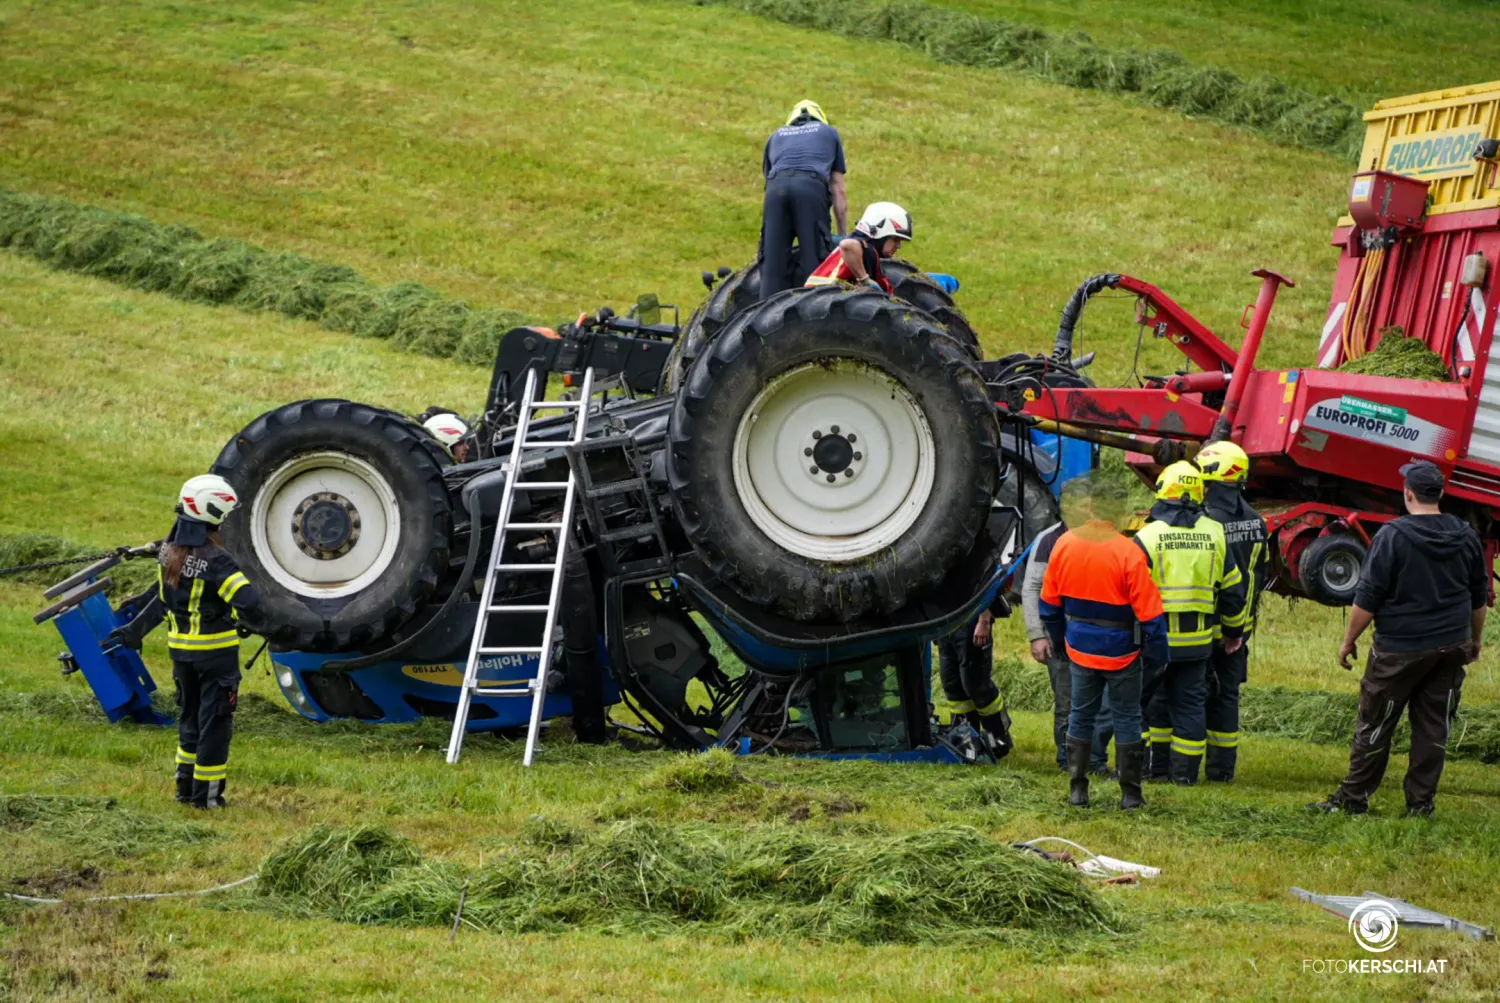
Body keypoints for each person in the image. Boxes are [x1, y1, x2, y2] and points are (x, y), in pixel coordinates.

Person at [1312, 461, 1486, 818]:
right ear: (1440, 494)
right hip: (1451, 646)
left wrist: (1348, 640)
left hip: (1400, 649)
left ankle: (1353, 799)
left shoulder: (1393, 536)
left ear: (1407, 494)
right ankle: (1420, 806)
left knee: (1375, 723)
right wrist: (1475, 640)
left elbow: (1368, 597)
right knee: (1433, 728)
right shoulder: (1466, 534)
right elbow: (1478, 597)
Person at [106, 475, 263, 809]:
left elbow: (161, 599)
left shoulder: (167, 552)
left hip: (181, 656)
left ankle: (184, 789)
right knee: (216, 725)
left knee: (190, 719)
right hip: (216, 658)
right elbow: (248, 600)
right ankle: (207, 799)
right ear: (212, 513)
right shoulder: (217, 560)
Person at [1039, 476, 1168, 810]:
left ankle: (1078, 791)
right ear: (1122, 513)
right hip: (1122, 650)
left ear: (1093, 507)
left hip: (1079, 646)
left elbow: (1048, 605)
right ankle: (1130, 795)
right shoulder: (1128, 551)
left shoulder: (1064, 544)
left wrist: (1058, 643)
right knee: (1126, 717)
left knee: (1080, 715)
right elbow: (1151, 616)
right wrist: (1158, 655)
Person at [1134, 461, 1246, 786]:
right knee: (1189, 708)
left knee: (1137, 703)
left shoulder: (1147, 536)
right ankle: (1184, 778)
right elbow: (1234, 593)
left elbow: (1129, 592)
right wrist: (1233, 633)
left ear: (1162, 491)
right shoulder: (1216, 533)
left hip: (1154, 641)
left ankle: (1140, 770)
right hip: (1197, 644)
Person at [1195, 440, 1268, 782]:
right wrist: (1239, 629)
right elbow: (1262, 574)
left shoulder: (1205, 520)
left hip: (1203, 626)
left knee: (1190, 693)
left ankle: (1181, 768)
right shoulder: (1256, 521)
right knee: (1226, 698)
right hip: (1240, 629)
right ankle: (1222, 771)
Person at [1022, 518, 1113, 775]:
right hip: (1058, 637)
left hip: (1095, 637)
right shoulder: (1048, 540)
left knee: (1101, 704)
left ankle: (1093, 760)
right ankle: (1068, 761)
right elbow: (1031, 588)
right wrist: (1036, 635)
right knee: (1067, 703)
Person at [760, 99, 848, 298]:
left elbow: (769, 182)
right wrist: (843, 234)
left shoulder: (775, 136)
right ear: (821, 118)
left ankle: (765, 320)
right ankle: (814, 315)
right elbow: (838, 188)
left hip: (776, 189)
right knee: (814, 264)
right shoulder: (829, 132)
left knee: (772, 269)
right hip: (810, 188)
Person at [935, 598, 1014, 759]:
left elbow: (984, 584)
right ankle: (968, 742)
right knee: (953, 687)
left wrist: (984, 620)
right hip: (945, 624)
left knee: (977, 687)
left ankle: (998, 740)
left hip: (971, 623)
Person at [803, 201, 911, 295]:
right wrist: (864, 279)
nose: (899, 245)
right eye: (895, 239)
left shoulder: (870, 252)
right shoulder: (862, 246)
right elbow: (847, 245)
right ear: (880, 232)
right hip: (822, 296)